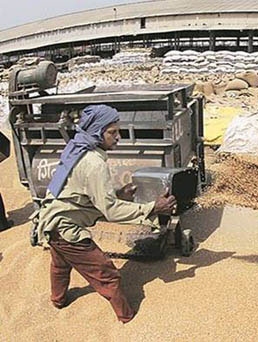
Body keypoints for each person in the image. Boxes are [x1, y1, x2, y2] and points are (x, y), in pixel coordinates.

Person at [34, 105, 176, 323]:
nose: (118, 137)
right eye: (112, 132)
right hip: (65, 228)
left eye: (118, 131)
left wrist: (118, 193)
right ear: (97, 132)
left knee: (60, 264)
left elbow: (80, 193)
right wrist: (152, 208)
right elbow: (110, 211)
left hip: (51, 220)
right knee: (108, 275)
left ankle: (58, 300)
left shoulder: (76, 149)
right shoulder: (94, 163)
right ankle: (127, 318)